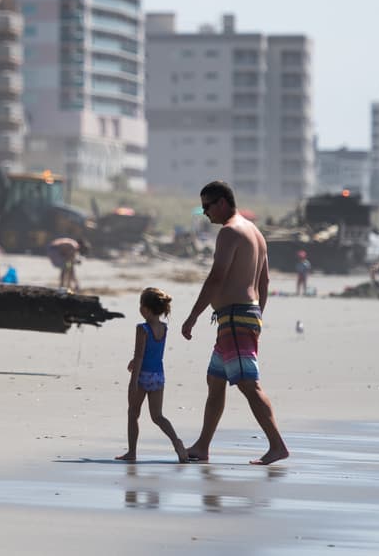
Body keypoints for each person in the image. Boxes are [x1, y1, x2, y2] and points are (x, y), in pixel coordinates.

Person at [180, 180, 289, 466]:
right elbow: (264, 281)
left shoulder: (229, 233)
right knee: (215, 381)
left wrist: (192, 316)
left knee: (247, 384)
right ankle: (202, 446)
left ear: (223, 203)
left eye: (207, 206)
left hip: (235, 318)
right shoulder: (255, 233)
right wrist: (258, 317)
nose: (205, 213)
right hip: (240, 317)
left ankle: (277, 445)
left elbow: (217, 278)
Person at [115, 286, 188, 464]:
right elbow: (151, 353)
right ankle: (177, 442)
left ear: (146, 309)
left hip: (142, 377)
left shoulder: (143, 329)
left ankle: (132, 452)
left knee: (133, 414)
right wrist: (135, 359)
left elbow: (140, 356)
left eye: (140, 305)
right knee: (158, 416)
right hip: (158, 376)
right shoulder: (163, 328)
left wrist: (133, 382)